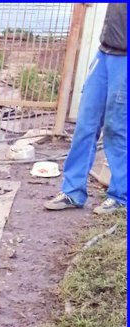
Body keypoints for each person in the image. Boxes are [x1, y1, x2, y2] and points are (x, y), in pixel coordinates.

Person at [44, 3, 126, 215]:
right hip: (104, 52)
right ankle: (73, 191)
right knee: (85, 126)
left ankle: (120, 197)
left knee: (117, 129)